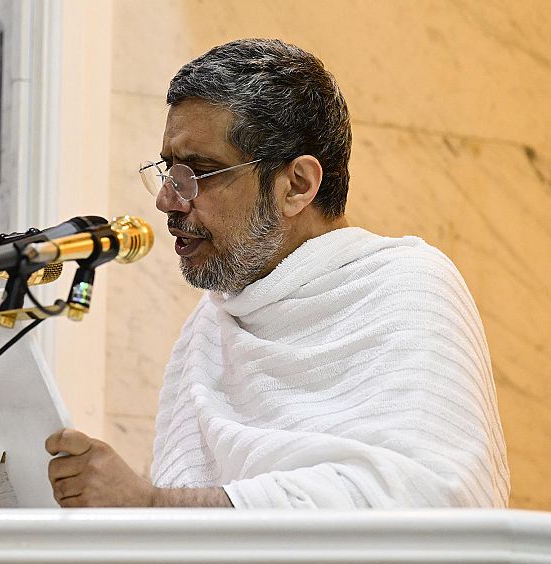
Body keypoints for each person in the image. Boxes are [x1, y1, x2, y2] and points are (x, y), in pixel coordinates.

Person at [45, 38, 509, 509]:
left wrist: (149, 507)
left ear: (297, 186)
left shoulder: (408, 287)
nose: (167, 200)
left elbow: (421, 499)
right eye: (168, 170)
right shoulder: (210, 322)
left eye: (199, 172)